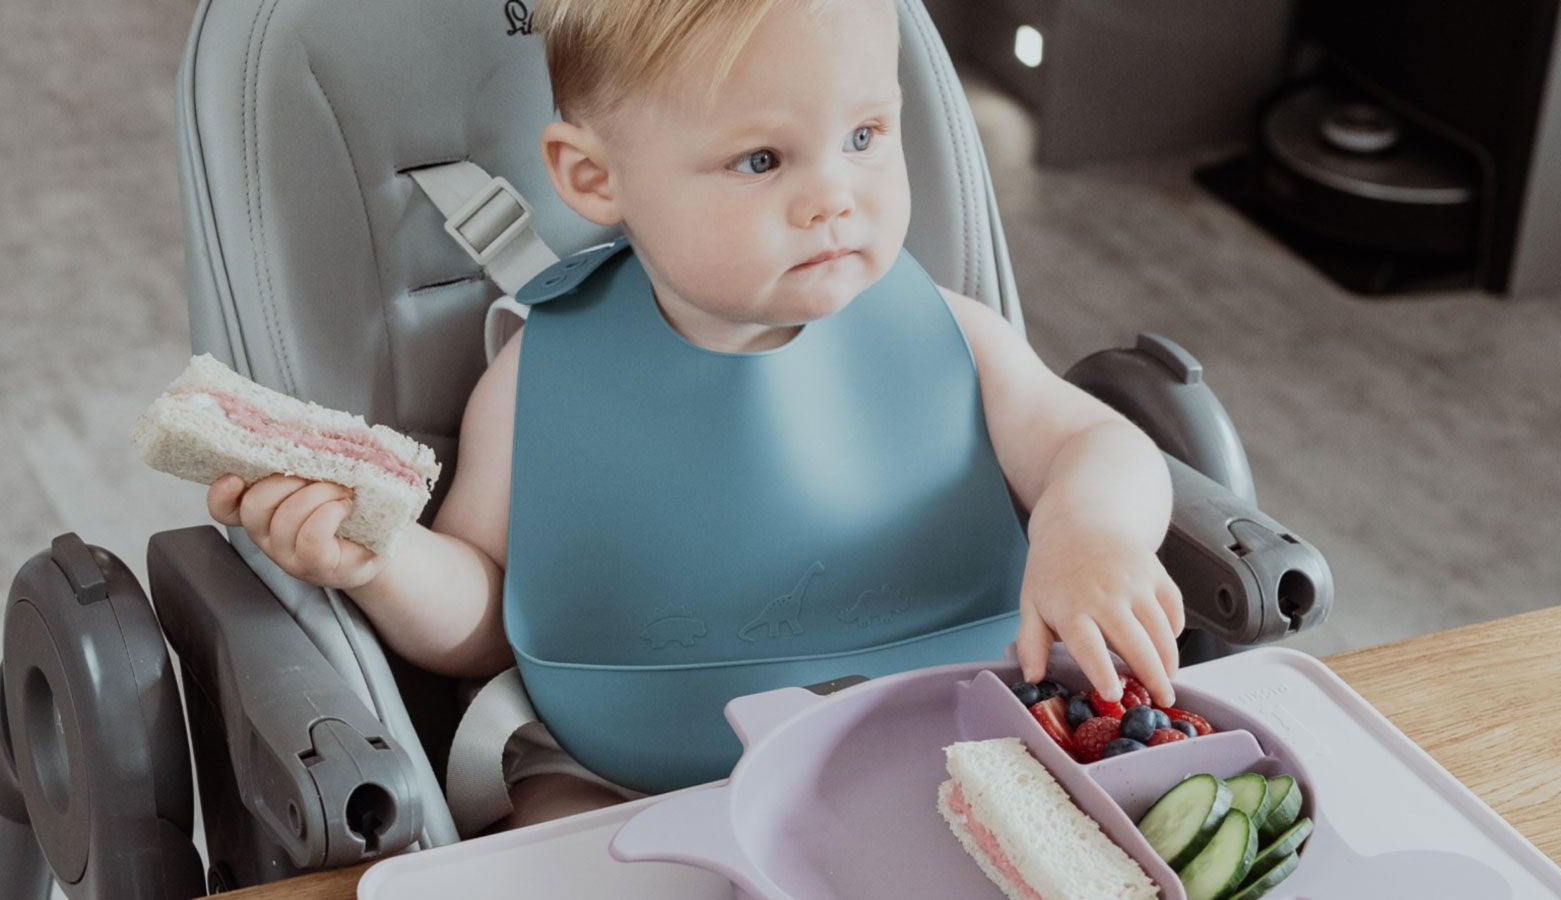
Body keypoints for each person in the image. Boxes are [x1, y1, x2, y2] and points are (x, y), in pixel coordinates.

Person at [203, 0, 1179, 828]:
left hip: (960, 735)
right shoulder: (544, 371)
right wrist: (380, 559)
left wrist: (1087, 529)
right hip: (629, 770)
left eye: (864, 137)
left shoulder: (947, 335)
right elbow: (490, 620)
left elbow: (1095, 442)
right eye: (760, 160)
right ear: (594, 178)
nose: (833, 197)